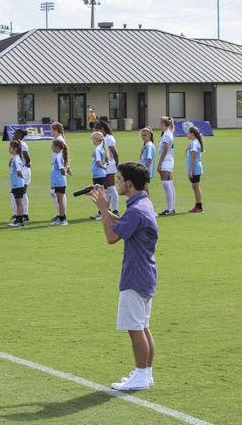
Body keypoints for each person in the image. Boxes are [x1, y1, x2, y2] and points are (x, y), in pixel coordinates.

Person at [88, 162, 159, 391]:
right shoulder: (142, 204)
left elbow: (111, 237)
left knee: (135, 328)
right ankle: (145, 374)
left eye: (119, 178)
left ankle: (140, 375)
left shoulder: (137, 210)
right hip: (145, 273)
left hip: (135, 275)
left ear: (129, 183)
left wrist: (102, 211)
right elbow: (124, 224)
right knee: (143, 326)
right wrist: (106, 210)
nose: (116, 182)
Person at [96, 121, 120, 215]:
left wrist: (117, 166)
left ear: (102, 129)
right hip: (105, 166)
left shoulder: (109, 138)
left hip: (110, 165)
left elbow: (115, 153)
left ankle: (115, 210)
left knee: (111, 187)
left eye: (97, 130)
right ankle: (106, 210)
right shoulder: (103, 138)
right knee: (105, 188)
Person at [50, 122, 71, 221]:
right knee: (56, 194)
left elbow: (65, 155)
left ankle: (61, 214)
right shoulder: (58, 139)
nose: (50, 131)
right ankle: (61, 213)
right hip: (56, 170)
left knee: (58, 195)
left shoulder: (59, 140)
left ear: (56, 129)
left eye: (51, 129)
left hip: (58, 171)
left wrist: (66, 169)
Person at [157, 117, 176, 216]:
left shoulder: (166, 135)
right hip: (169, 161)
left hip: (165, 162)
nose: (158, 124)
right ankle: (171, 208)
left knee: (166, 185)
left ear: (163, 123)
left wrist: (160, 163)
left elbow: (165, 150)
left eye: (160, 122)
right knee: (170, 185)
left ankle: (170, 209)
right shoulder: (168, 133)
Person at [90, 131, 110, 221]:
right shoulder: (101, 148)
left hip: (98, 174)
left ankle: (105, 213)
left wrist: (103, 167)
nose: (92, 141)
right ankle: (101, 212)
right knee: (101, 193)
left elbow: (98, 162)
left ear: (96, 139)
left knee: (100, 194)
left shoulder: (98, 149)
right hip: (101, 174)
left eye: (92, 139)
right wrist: (105, 166)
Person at [11, 129, 31, 222]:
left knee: (19, 194)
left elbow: (27, 158)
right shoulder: (18, 144)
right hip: (21, 170)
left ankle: (20, 214)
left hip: (24, 171)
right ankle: (21, 214)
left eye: (15, 133)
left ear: (19, 135)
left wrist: (24, 166)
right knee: (21, 193)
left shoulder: (22, 144)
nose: (13, 134)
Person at [186, 125, 205, 213]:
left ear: (192, 133)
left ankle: (199, 206)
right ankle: (198, 206)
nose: (187, 134)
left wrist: (190, 171)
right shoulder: (194, 142)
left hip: (195, 169)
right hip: (196, 168)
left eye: (188, 133)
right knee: (195, 187)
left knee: (196, 187)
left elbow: (194, 158)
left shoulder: (194, 143)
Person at [50, 139, 68, 226]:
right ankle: (61, 218)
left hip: (59, 182)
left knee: (60, 201)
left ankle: (62, 219)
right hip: (58, 181)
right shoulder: (59, 155)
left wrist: (64, 172)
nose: (51, 147)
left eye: (52, 146)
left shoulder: (58, 156)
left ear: (57, 147)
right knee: (59, 201)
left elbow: (62, 169)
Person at [8, 140, 26, 227]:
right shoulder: (15, 157)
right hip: (16, 183)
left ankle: (20, 220)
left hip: (18, 183)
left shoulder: (16, 158)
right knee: (18, 202)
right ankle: (19, 219)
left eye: (10, 147)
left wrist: (22, 178)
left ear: (15, 149)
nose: (9, 149)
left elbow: (19, 171)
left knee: (19, 202)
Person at [139, 127, 156, 191]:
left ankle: (147, 201)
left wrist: (144, 170)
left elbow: (149, 159)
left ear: (149, 135)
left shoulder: (149, 145)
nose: (143, 137)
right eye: (142, 135)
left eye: (145, 135)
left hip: (145, 170)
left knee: (144, 189)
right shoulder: (146, 145)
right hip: (144, 170)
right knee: (144, 189)